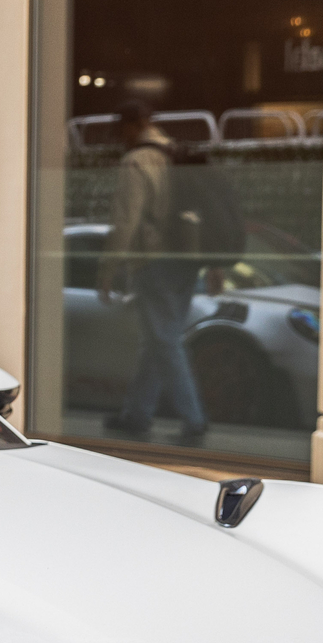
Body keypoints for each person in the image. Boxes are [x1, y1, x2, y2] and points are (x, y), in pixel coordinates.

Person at [102, 78, 207, 446]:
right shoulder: (176, 152)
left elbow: (125, 222)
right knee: (157, 340)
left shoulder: (137, 161)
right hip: (187, 259)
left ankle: (194, 419)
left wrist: (107, 272)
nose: (120, 138)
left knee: (164, 340)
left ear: (131, 126)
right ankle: (137, 415)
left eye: (121, 130)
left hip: (154, 261)